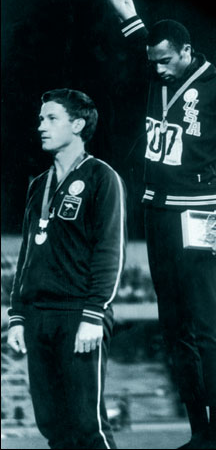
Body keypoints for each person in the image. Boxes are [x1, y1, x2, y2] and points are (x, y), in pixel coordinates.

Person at [79, 0, 216, 450]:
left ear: (185, 51)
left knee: (208, 328)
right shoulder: (155, 58)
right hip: (157, 211)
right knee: (173, 328)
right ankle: (198, 434)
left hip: (204, 213)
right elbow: (124, 6)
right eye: (150, 61)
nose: (155, 70)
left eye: (164, 61)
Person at [7, 88, 126, 450]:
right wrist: (17, 316)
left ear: (77, 124)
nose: (41, 125)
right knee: (54, 428)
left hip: (79, 315)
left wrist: (94, 313)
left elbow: (110, 251)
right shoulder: (38, 186)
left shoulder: (102, 178)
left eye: (51, 118)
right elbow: (27, 254)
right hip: (38, 317)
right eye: (41, 118)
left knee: (88, 426)